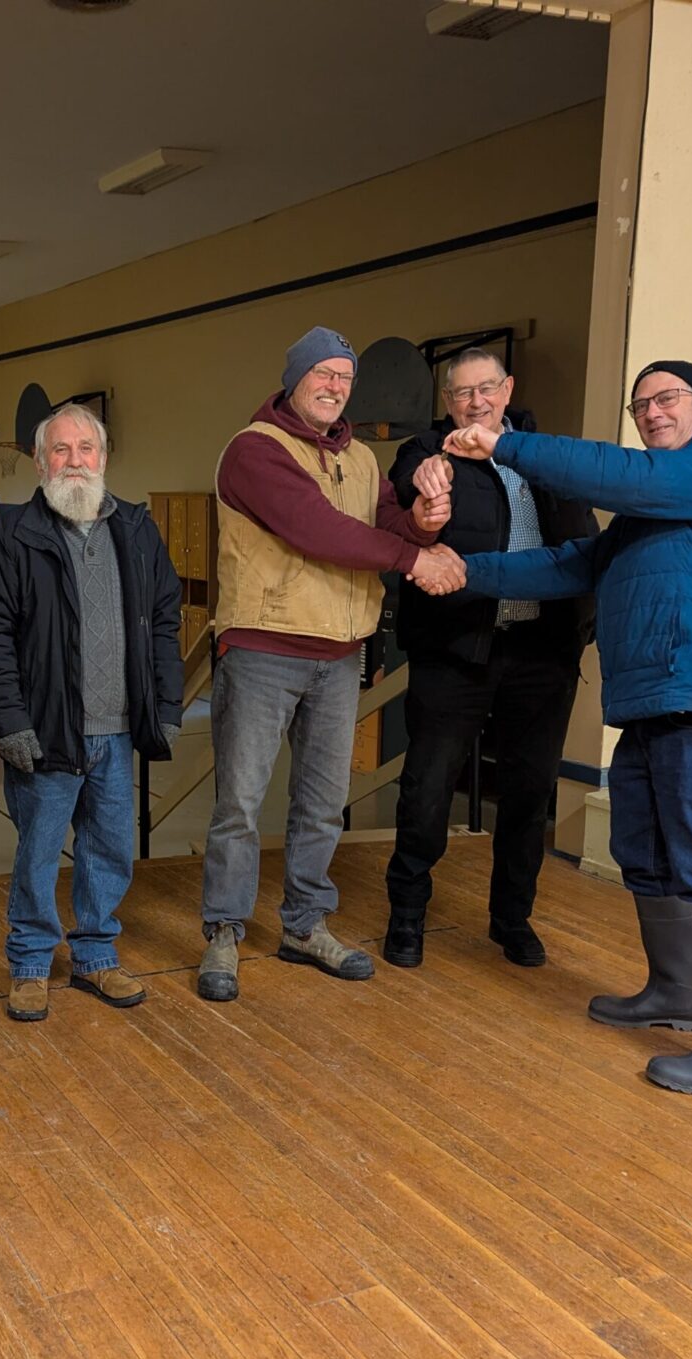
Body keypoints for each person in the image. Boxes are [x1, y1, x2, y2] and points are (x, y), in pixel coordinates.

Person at [440, 360, 692, 1094]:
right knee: (644, 855)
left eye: (667, 399)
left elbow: (632, 479)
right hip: (653, 701)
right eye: (640, 405)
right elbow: (571, 564)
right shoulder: (653, 506)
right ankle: (678, 994)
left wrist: (505, 443)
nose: (652, 413)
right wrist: (463, 570)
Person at [198, 326, 457, 1003]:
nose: (335, 386)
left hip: (339, 658)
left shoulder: (363, 460)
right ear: (294, 378)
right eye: (323, 373)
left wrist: (425, 522)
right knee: (240, 806)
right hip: (263, 650)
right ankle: (223, 932)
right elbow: (317, 529)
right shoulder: (254, 451)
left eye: (344, 377)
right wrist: (415, 560)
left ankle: (304, 926)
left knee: (320, 808)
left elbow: (388, 528)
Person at [0, 403, 183, 1022]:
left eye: (86, 448)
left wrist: (165, 706)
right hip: (46, 728)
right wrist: (10, 720)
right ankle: (31, 964)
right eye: (61, 450)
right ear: (39, 462)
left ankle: (95, 957)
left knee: (110, 848)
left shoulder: (136, 531)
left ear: (104, 458)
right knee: (37, 851)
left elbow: (166, 621)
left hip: (118, 731)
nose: (75, 460)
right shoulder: (11, 537)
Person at [382, 347, 598, 969]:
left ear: (507, 390)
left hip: (542, 655)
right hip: (457, 651)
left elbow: (584, 538)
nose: (474, 402)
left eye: (485, 390)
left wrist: (585, 624)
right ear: (446, 403)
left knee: (529, 795)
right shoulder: (429, 451)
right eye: (460, 393)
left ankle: (512, 920)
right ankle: (407, 917)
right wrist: (425, 480)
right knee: (426, 790)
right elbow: (408, 480)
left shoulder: (546, 456)